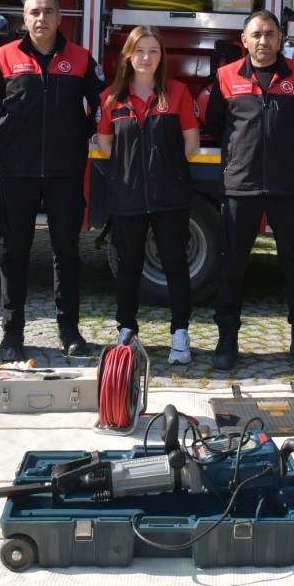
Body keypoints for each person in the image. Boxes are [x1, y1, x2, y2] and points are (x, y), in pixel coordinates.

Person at [0, 0, 106, 362]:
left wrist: (78, 134)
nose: (41, 18)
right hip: (18, 174)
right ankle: (12, 334)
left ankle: (70, 331)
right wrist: (12, 137)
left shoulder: (80, 58)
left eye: (49, 11)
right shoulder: (5, 57)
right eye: (34, 12)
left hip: (65, 172)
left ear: (59, 18)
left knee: (66, 253)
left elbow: (102, 105)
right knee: (15, 253)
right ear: (24, 19)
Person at [203, 9, 294, 372]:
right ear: (244, 40)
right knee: (231, 267)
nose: (263, 41)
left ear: (280, 38)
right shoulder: (225, 77)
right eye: (256, 34)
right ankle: (227, 341)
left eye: (270, 34)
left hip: (287, 188)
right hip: (241, 187)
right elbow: (215, 124)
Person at [96, 26, 201, 365]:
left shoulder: (178, 93)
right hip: (126, 198)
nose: (146, 57)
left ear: (161, 57)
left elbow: (192, 144)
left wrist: (166, 172)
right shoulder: (111, 98)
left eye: (153, 51)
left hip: (170, 197)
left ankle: (180, 334)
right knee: (128, 267)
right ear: (128, 55)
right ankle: (126, 330)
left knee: (175, 265)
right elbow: (105, 144)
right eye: (139, 50)